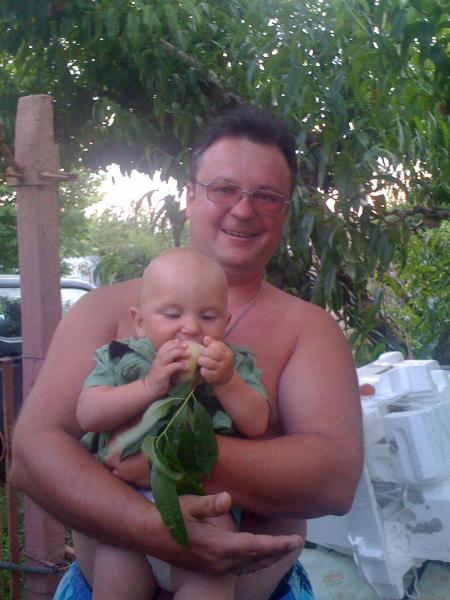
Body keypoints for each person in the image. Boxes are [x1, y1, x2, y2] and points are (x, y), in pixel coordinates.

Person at [10, 105, 363, 600]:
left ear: (284, 212)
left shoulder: (310, 329)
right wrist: (150, 527)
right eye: (223, 189)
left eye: (266, 196)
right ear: (190, 197)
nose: (244, 210)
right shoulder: (104, 310)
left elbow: (333, 480)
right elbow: (32, 453)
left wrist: (166, 456)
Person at [79, 247, 285, 599]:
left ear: (225, 321)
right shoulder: (120, 356)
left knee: (211, 582)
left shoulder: (233, 363)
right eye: (173, 314)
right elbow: (88, 414)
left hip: (205, 515)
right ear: (140, 321)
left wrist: (227, 383)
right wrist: (149, 386)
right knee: (116, 585)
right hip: (127, 512)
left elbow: (256, 423)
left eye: (208, 316)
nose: (190, 327)